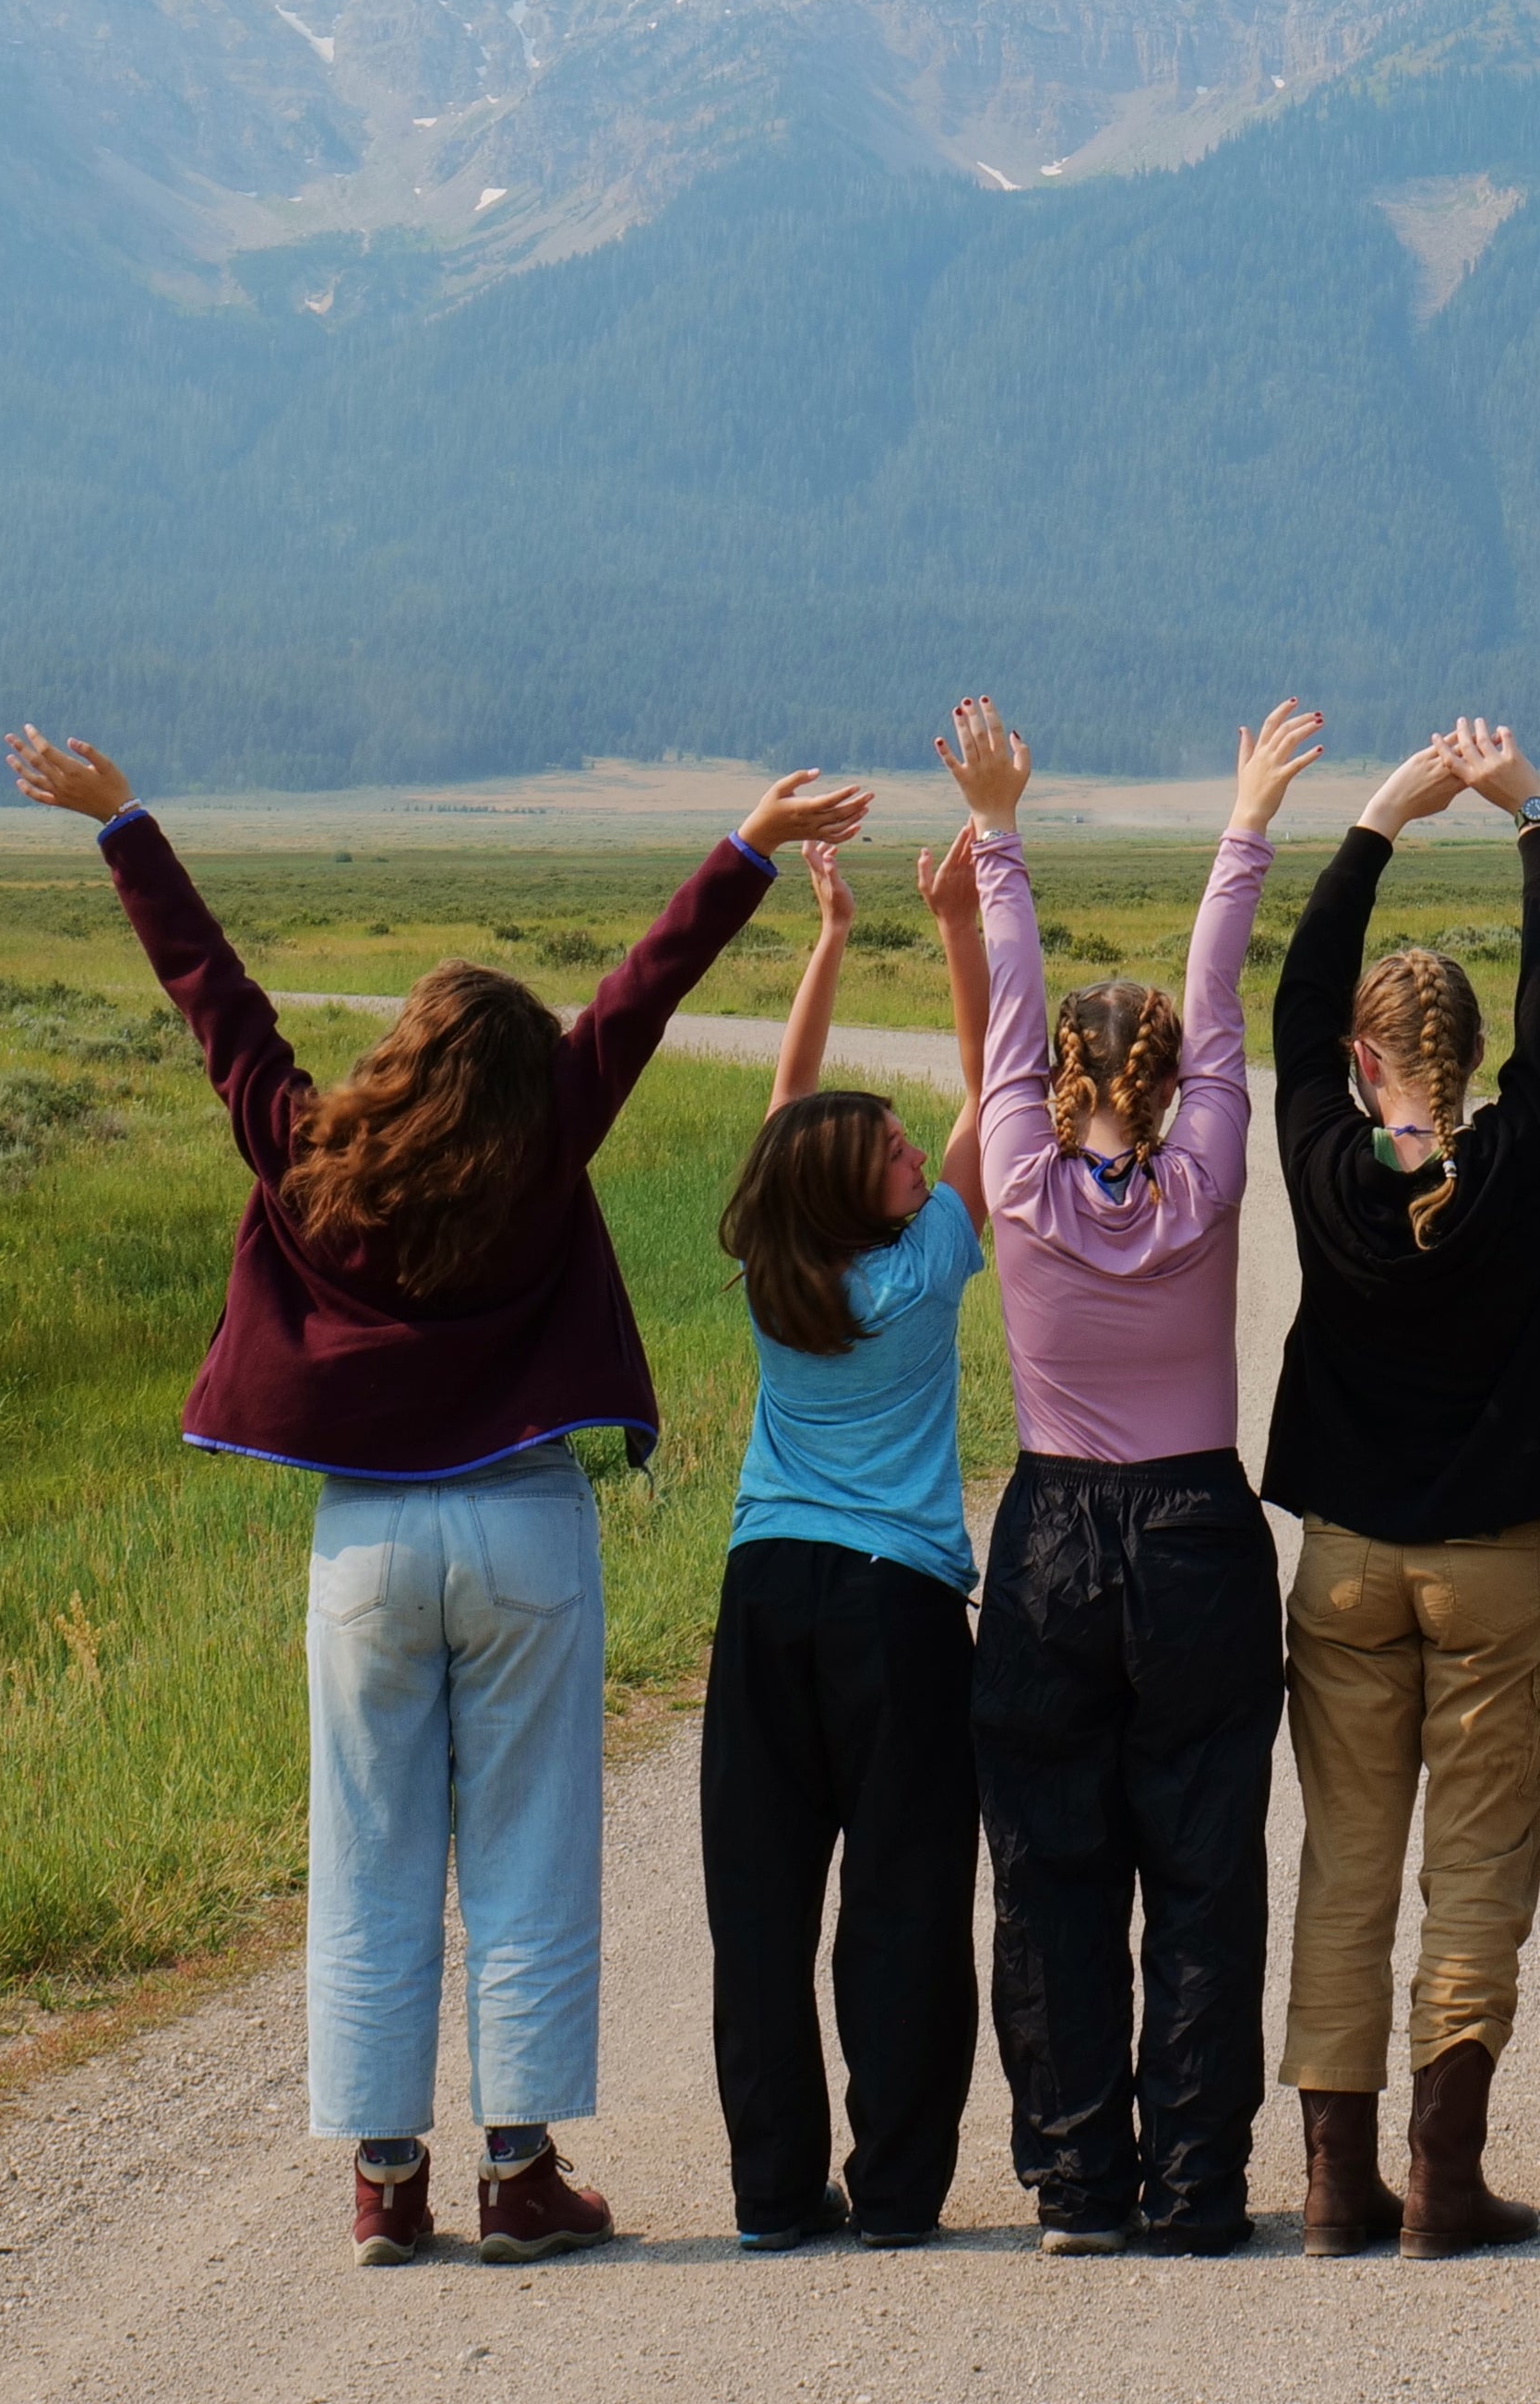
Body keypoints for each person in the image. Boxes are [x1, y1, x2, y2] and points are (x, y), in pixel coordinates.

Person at [3, 722, 870, 2267]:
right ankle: (522, 2175)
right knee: (529, 1844)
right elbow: (645, 992)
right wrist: (744, 841)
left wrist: (126, 820)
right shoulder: (550, 1141)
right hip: (527, 1527)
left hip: (367, 1546)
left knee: (369, 1850)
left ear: (398, 1062)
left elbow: (220, 1004)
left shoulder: (308, 1153)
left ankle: (387, 2184)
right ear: (523, 1075)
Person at [1257, 716, 1540, 2260]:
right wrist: (1538, 816)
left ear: (1360, 1060)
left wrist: (1377, 823)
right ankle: (1441, 2178)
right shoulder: (1525, 1151)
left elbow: (1287, 1006)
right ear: (1472, 1060)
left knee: (1348, 1861)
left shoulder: (1323, 1157)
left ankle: (1336, 2185)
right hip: (1496, 1563)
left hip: (1345, 1560)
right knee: (1477, 1866)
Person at [947, 690, 1310, 2256]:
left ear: (1060, 1081)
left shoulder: (1020, 1164)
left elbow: (1010, 1019)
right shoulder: (1214, 1161)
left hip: (1047, 1539)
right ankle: (1199, 2185)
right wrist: (1246, 824)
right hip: (1199, 1531)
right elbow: (1217, 992)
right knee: (1208, 1868)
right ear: (1168, 1081)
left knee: (1052, 1865)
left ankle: (1081, 2183)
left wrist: (998, 832)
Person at [700, 829, 997, 2253]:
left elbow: (788, 1111)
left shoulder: (776, 1272)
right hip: (897, 1609)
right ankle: (891, 2197)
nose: (904, 1144)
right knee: (904, 1900)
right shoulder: (929, 1261)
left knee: (759, 1901)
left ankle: (772, 2195)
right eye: (888, 1144)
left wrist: (825, 940)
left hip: (768, 1593)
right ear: (871, 1190)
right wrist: (951, 931)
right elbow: (995, 1088)